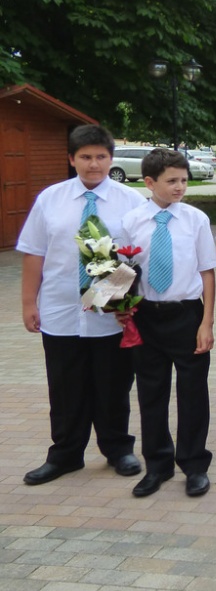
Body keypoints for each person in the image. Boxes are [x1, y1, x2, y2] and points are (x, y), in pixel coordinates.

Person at [18, 124, 145, 486]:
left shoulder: (131, 201)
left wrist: (114, 300)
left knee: (113, 384)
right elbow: (34, 253)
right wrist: (28, 302)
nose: (94, 164)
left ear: (111, 158)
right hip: (60, 308)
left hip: (111, 315)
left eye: (101, 157)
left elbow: (139, 256)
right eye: (85, 157)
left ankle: (117, 449)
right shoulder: (50, 199)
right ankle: (65, 454)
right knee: (64, 387)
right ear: (71, 159)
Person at [120, 149, 216, 498]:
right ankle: (157, 465)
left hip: (186, 314)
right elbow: (123, 268)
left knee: (193, 392)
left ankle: (194, 464)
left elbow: (207, 272)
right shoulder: (132, 221)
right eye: (172, 181)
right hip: (146, 315)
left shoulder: (195, 220)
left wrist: (207, 322)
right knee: (151, 392)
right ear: (149, 182)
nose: (180, 187)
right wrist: (118, 305)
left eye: (184, 180)